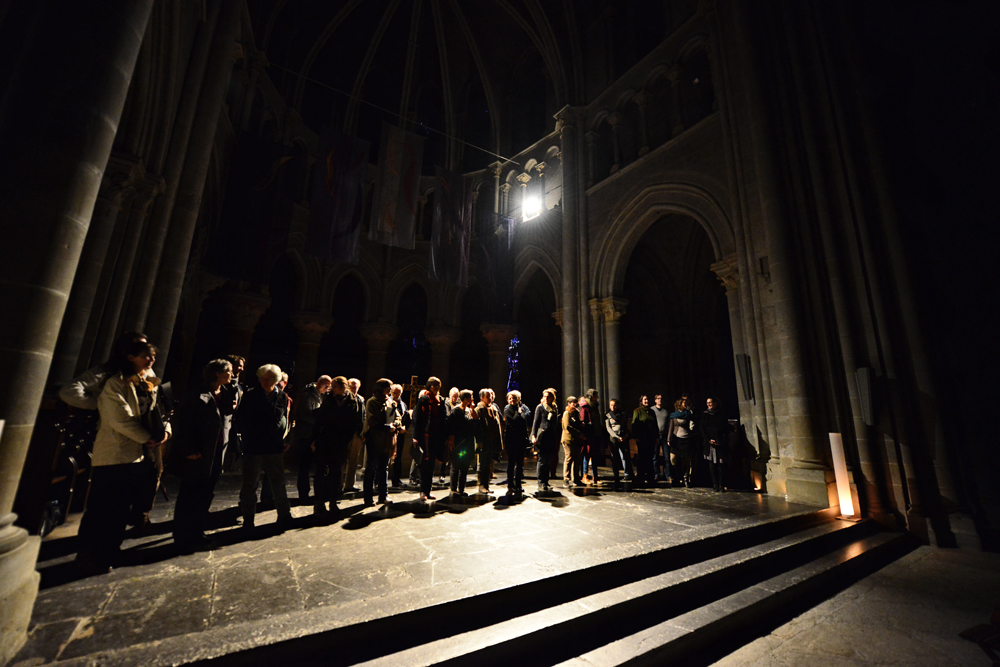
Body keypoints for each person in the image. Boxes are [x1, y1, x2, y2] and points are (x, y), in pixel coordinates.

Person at [75, 341, 170, 574]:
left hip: (139, 454)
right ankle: (88, 555)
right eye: (146, 356)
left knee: (120, 510)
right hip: (115, 453)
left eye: (153, 357)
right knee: (102, 508)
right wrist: (146, 437)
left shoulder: (148, 383)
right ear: (130, 357)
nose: (151, 361)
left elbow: (160, 411)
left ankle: (109, 551)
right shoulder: (115, 383)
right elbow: (120, 418)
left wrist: (166, 430)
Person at [172, 359, 233, 552]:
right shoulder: (197, 395)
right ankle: (182, 534)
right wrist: (189, 449)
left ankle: (197, 531)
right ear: (218, 373)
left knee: (206, 493)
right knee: (190, 493)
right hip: (198, 453)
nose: (231, 374)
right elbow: (185, 424)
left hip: (214, 452)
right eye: (229, 371)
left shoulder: (222, 394)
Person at [236, 364, 292, 530]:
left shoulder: (281, 396)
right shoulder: (251, 395)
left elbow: (280, 419)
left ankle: (284, 515)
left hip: (274, 445)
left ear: (275, 380)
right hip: (254, 445)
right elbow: (243, 419)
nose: (263, 381)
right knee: (250, 483)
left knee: (278, 482)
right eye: (261, 378)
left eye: (267, 378)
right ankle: (248, 520)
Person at [311, 376, 362, 516]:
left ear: (342, 387)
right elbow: (320, 420)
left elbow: (355, 421)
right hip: (325, 440)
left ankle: (333, 502)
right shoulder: (328, 399)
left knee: (336, 473)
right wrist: (314, 438)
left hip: (340, 442)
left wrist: (346, 437)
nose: (331, 389)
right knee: (321, 472)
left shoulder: (353, 401)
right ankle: (319, 503)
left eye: (334, 386)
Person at [294, 375, 331, 502]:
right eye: (325, 385)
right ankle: (303, 494)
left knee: (314, 465)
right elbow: (305, 415)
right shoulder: (307, 395)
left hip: (316, 434)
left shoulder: (323, 396)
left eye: (328, 387)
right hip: (306, 434)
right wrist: (321, 422)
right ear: (318, 383)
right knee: (304, 465)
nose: (326, 389)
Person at [362, 379, 399, 506]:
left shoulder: (390, 401)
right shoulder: (372, 402)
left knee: (384, 468)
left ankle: (383, 496)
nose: (390, 389)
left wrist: (397, 424)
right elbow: (372, 421)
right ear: (381, 387)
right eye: (388, 387)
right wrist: (387, 427)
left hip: (387, 440)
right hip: (374, 439)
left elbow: (397, 416)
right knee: (371, 468)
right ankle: (368, 498)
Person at [413, 378, 447, 501]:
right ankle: (422, 491)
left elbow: (443, 418)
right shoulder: (424, 399)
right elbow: (417, 419)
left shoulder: (441, 400)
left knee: (432, 464)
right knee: (424, 464)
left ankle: (428, 490)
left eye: (438, 384)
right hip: (425, 436)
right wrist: (415, 437)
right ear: (429, 386)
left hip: (436, 437)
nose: (436, 387)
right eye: (434, 384)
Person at [445, 389, 478, 497]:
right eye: (470, 397)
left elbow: (474, 423)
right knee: (456, 466)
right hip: (459, 443)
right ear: (465, 398)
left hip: (468, 443)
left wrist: (473, 410)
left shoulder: (469, 410)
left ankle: (461, 489)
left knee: (465, 467)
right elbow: (452, 428)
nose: (472, 399)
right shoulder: (456, 411)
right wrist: (451, 442)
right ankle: (453, 489)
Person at [530, 388, 560, 493]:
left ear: (553, 398)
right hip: (542, 436)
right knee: (542, 460)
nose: (546, 398)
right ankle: (541, 482)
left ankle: (546, 481)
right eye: (545, 396)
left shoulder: (554, 408)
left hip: (550, 437)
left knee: (548, 461)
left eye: (549, 397)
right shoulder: (540, 407)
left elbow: (555, 424)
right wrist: (533, 435)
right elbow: (535, 422)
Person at [474, 388, 504, 494]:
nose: (490, 398)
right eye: (487, 396)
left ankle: (486, 485)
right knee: (482, 464)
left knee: (488, 464)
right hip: (484, 441)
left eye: (490, 396)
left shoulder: (493, 408)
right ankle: (481, 485)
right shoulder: (479, 409)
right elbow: (477, 427)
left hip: (492, 440)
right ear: (482, 397)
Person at [502, 390, 532, 494]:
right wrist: (518, 413)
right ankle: (511, 485)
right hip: (511, 440)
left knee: (520, 464)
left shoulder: (521, 409)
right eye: (510, 398)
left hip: (520, 440)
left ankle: (518, 484)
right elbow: (512, 421)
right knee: (511, 463)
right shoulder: (507, 409)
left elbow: (524, 423)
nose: (512, 400)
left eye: (514, 398)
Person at [700, 397, 732, 492]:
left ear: (715, 403)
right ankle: (715, 484)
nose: (709, 404)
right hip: (709, 443)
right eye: (707, 403)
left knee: (721, 465)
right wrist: (709, 440)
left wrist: (720, 440)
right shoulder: (705, 415)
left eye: (710, 402)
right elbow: (702, 428)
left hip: (720, 443)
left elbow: (725, 429)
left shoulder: (721, 414)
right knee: (712, 465)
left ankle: (721, 485)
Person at [220, 354, 245, 472]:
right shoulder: (224, 386)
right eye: (239, 366)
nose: (242, 369)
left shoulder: (238, 386)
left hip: (232, 422)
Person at [343, 378, 365, 493]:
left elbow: (363, 415)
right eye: (351, 385)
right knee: (342, 459)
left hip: (357, 433)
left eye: (356, 385)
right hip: (345, 432)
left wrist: (362, 431)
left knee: (353, 460)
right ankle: (338, 485)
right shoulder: (344, 398)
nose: (353, 387)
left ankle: (349, 484)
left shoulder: (361, 399)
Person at [605, 398, 634, 486]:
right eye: (611, 405)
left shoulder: (622, 414)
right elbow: (609, 428)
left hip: (623, 437)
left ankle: (629, 475)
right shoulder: (607, 415)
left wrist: (625, 436)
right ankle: (616, 477)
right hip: (614, 438)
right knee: (615, 458)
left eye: (614, 405)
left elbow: (625, 426)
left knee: (626, 456)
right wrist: (617, 437)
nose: (613, 407)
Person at [669, 397, 696, 488]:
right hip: (676, 440)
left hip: (686, 439)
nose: (685, 404)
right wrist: (669, 439)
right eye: (683, 402)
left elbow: (692, 426)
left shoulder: (688, 414)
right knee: (673, 459)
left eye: (685, 402)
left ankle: (685, 478)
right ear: (679, 404)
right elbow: (671, 428)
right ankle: (676, 478)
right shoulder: (673, 415)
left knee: (686, 460)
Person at [631, 395, 658, 486]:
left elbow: (655, 425)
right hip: (642, 438)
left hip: (651, 438)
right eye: (645, 399)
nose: (646, 401)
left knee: (650, 458)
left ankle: (650, 478)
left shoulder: (652, 412)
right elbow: (634, 425)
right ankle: (640, 478)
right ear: (641, 401)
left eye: (647, 399)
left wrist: (656, 437)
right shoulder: (637, 411)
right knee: (642, 458)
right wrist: (636, 437)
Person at [389, 383, 411, 488]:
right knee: (385, 458)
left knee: (398, 458)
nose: (396, 395)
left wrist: (405, 427)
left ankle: (396, 480)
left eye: (398, 393)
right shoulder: (387, 402)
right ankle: (378, 482)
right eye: (394, 393)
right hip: (389, 434)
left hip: (400, 435)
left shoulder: (403, 404)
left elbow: (406, 418)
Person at [561, 396, 584, 488]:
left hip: (577, 439)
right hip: (568, 439)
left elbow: (579, 424)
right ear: (568, 403)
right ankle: (566, 479)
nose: (574, 404)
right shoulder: (567, 413)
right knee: (569, 458)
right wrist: (578, 433)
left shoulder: (577, 413)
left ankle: (576, 479)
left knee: (577, 459)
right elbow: (567, 426)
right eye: (572, 403)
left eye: (575, 402)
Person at [578, 389, 597, 485]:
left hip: (595, 433)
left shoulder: (595, 406)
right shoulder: (585, 407)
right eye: (596, 396)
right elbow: (582, 422)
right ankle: (584, 475)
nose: (597, 398)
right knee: (587, 454)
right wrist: (583, 435)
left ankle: (595, 477)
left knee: (594, 455)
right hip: (588, 434)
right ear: (591, 396)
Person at [651, 394, 671, 482]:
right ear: (655, 400)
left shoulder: (666, 412)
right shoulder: (652, 410)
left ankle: (668, 475)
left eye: (661, 399)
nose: (660, 400)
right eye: (658, 399)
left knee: (667, 457)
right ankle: (656, 474)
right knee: (655, 457)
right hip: (655, 436)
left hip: (664, 436)